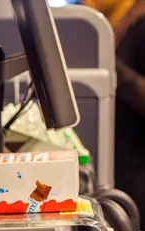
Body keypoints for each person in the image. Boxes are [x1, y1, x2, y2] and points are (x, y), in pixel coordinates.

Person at [84, 0, 145, 214]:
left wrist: (115, 70)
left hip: (136, 170)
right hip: (118, 167)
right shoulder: (106, 22)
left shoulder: (140, 20)